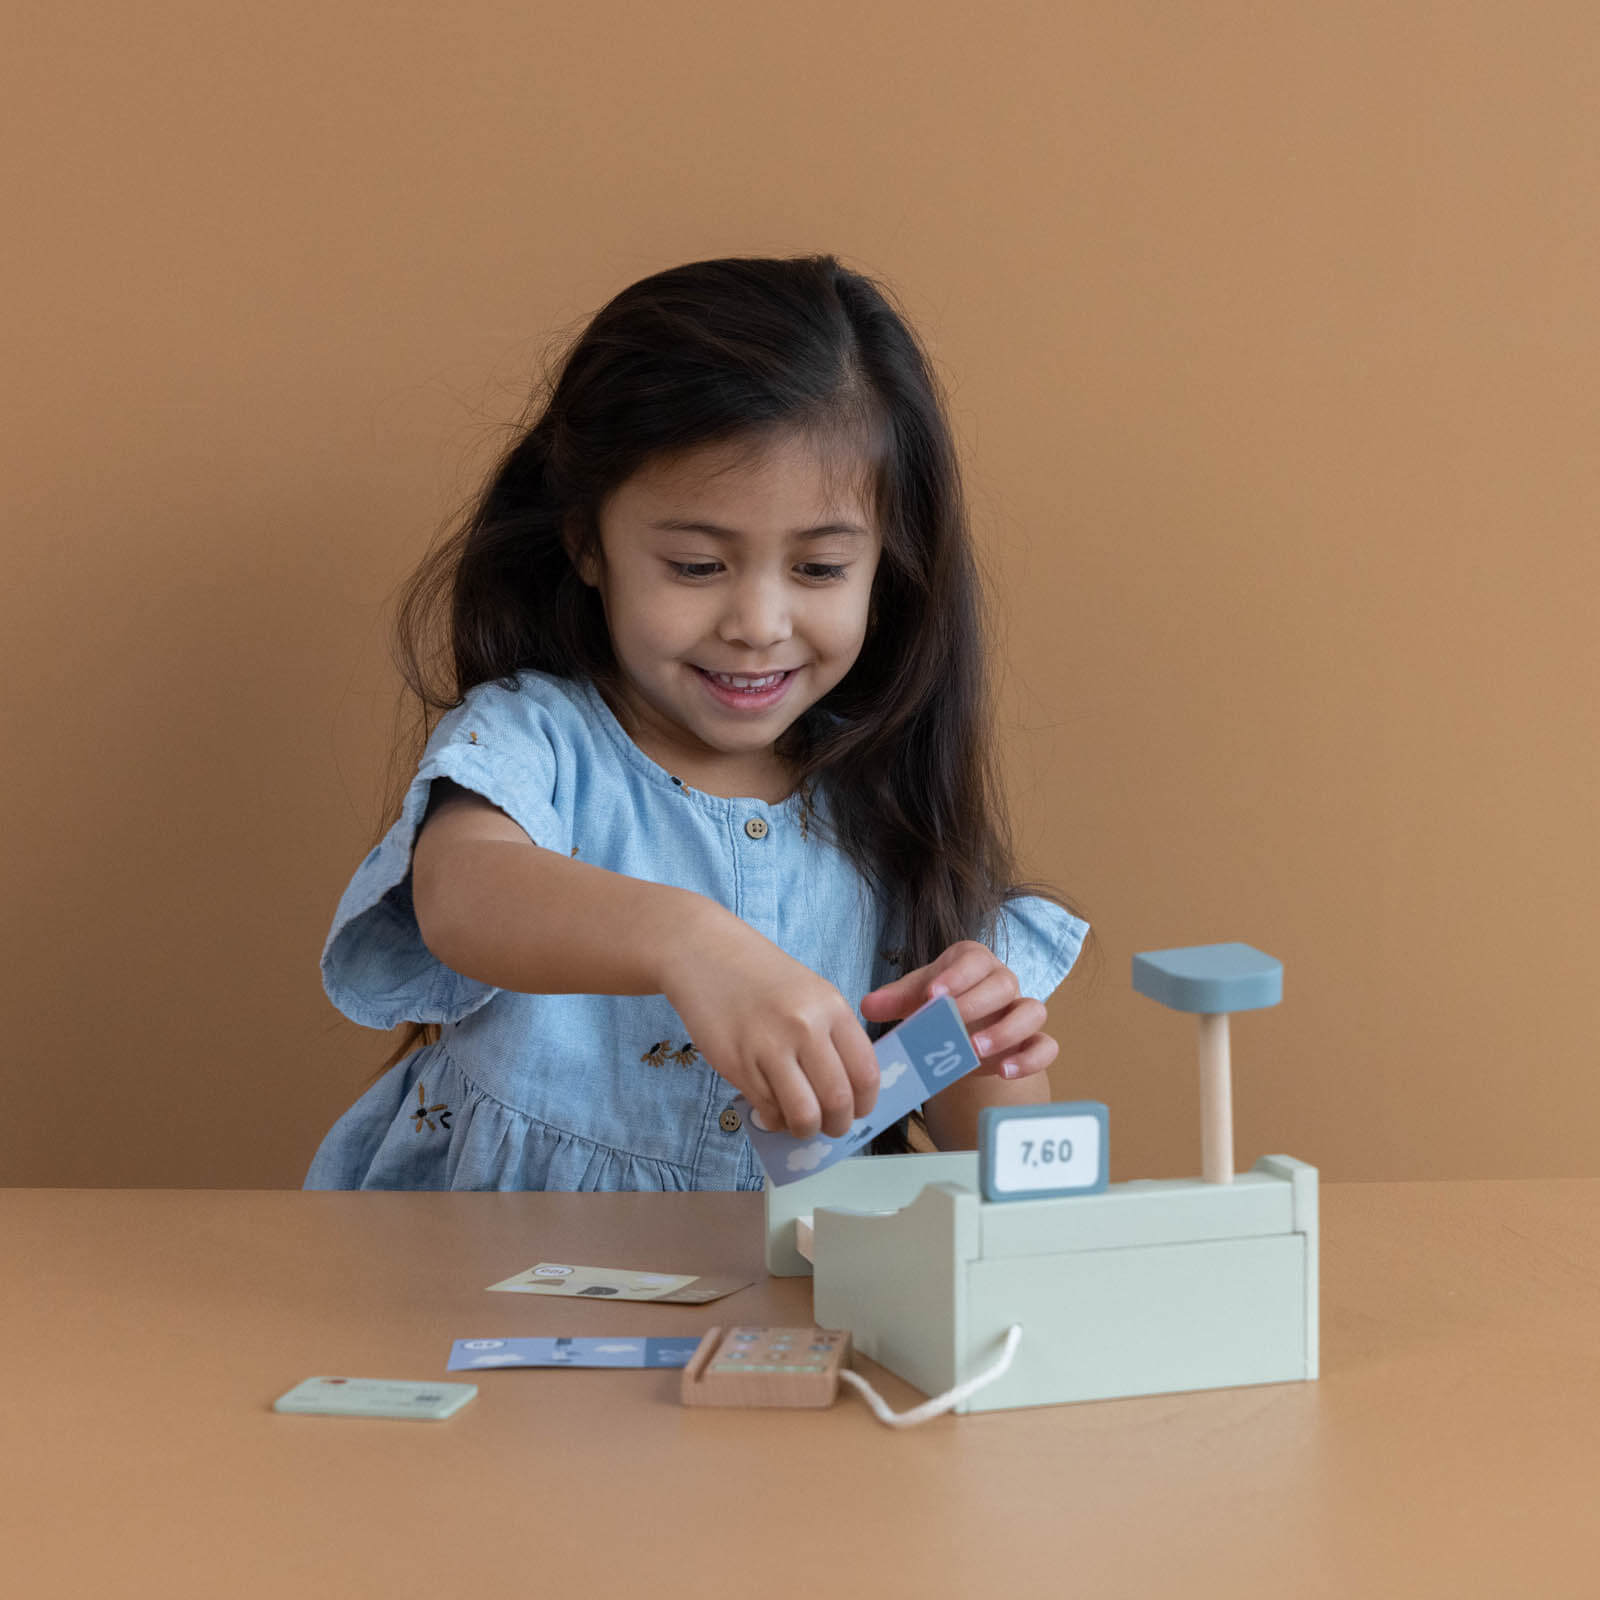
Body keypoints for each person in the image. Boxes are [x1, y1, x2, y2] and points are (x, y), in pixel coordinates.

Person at [305, 253, 1094, 1192]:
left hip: (779, 1297)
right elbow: (463, 894)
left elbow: (1017, 1182)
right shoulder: (538, 742)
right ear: (589, 546)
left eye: (818, 570)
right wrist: (691, 942)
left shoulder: (892, 817)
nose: (758, 625)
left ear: (888, 565)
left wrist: (986, 1045)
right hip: (485, 1274)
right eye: (695, 566)